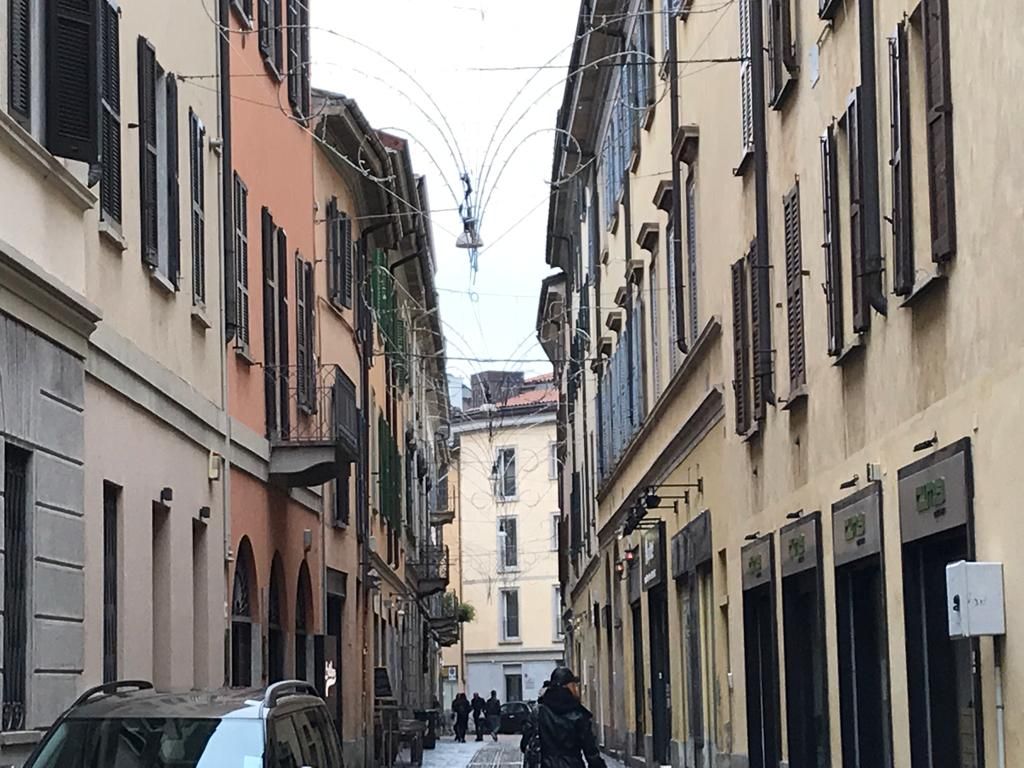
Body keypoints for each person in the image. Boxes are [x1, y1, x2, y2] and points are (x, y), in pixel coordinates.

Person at [521, 667, 606, 768]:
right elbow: (591, 753)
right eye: (574, 685)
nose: (576, 689)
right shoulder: (579, 715)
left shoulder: (538, 712)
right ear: (567, 686)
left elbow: (525, 744)